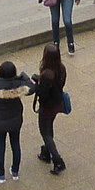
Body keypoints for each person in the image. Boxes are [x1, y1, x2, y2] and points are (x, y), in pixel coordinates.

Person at [33, 44, 68, 174]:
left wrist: (36, 85)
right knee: (49, 126)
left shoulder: (47, 74)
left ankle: (57, 160)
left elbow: (42, 93)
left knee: (45, 132)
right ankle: (46, 152)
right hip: (57, 104)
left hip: (47, 107)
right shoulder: (61, 69)